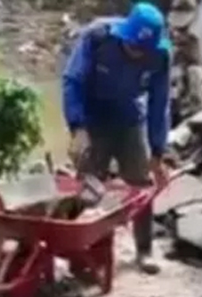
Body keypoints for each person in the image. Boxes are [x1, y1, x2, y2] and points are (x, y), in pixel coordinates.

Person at [62, 2, 172, 275]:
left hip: (128, 116)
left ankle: (144, 250)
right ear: (124, 34)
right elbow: (72, 81)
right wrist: (77, 128)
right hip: (92, 115)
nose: (136, 55)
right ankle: (83, 254)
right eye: (132, 47)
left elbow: (160, 103)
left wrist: (158, 153)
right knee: (89, 183)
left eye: (142, 52)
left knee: (140, 184)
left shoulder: (160, 56)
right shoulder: (97, 38)